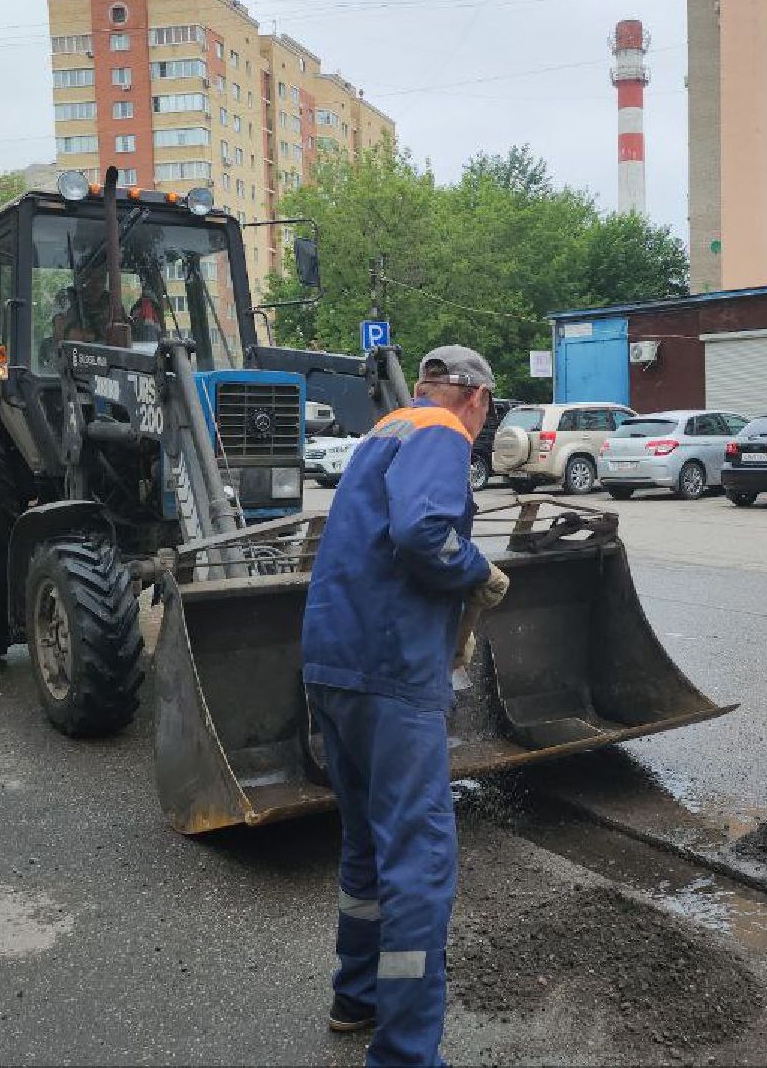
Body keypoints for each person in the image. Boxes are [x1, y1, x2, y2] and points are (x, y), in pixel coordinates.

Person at [300, 344, 510, 1067]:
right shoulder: (443, 433)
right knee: (417, 864)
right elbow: (422, 533)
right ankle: (405, 1052)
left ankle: (355, 998)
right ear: (476, 399)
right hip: (392, 672)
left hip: (334, 662)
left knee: (365, 846)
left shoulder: (383, 431)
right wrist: (478, 572)